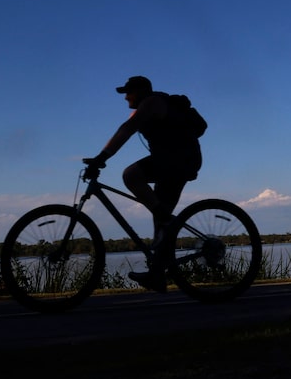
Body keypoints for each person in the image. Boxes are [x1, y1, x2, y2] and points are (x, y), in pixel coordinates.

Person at [84, 75, 202, 292]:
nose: (125, 97)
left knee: (131, 175)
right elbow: (128, 127)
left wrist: (101, 158)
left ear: (140, 91)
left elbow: (126, 130)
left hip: (178, 160)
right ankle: (158, 276)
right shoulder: (148, 107)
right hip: (180, 161)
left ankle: (166, 226)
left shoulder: (152, 103)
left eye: (128, 92)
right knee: (161, 218)